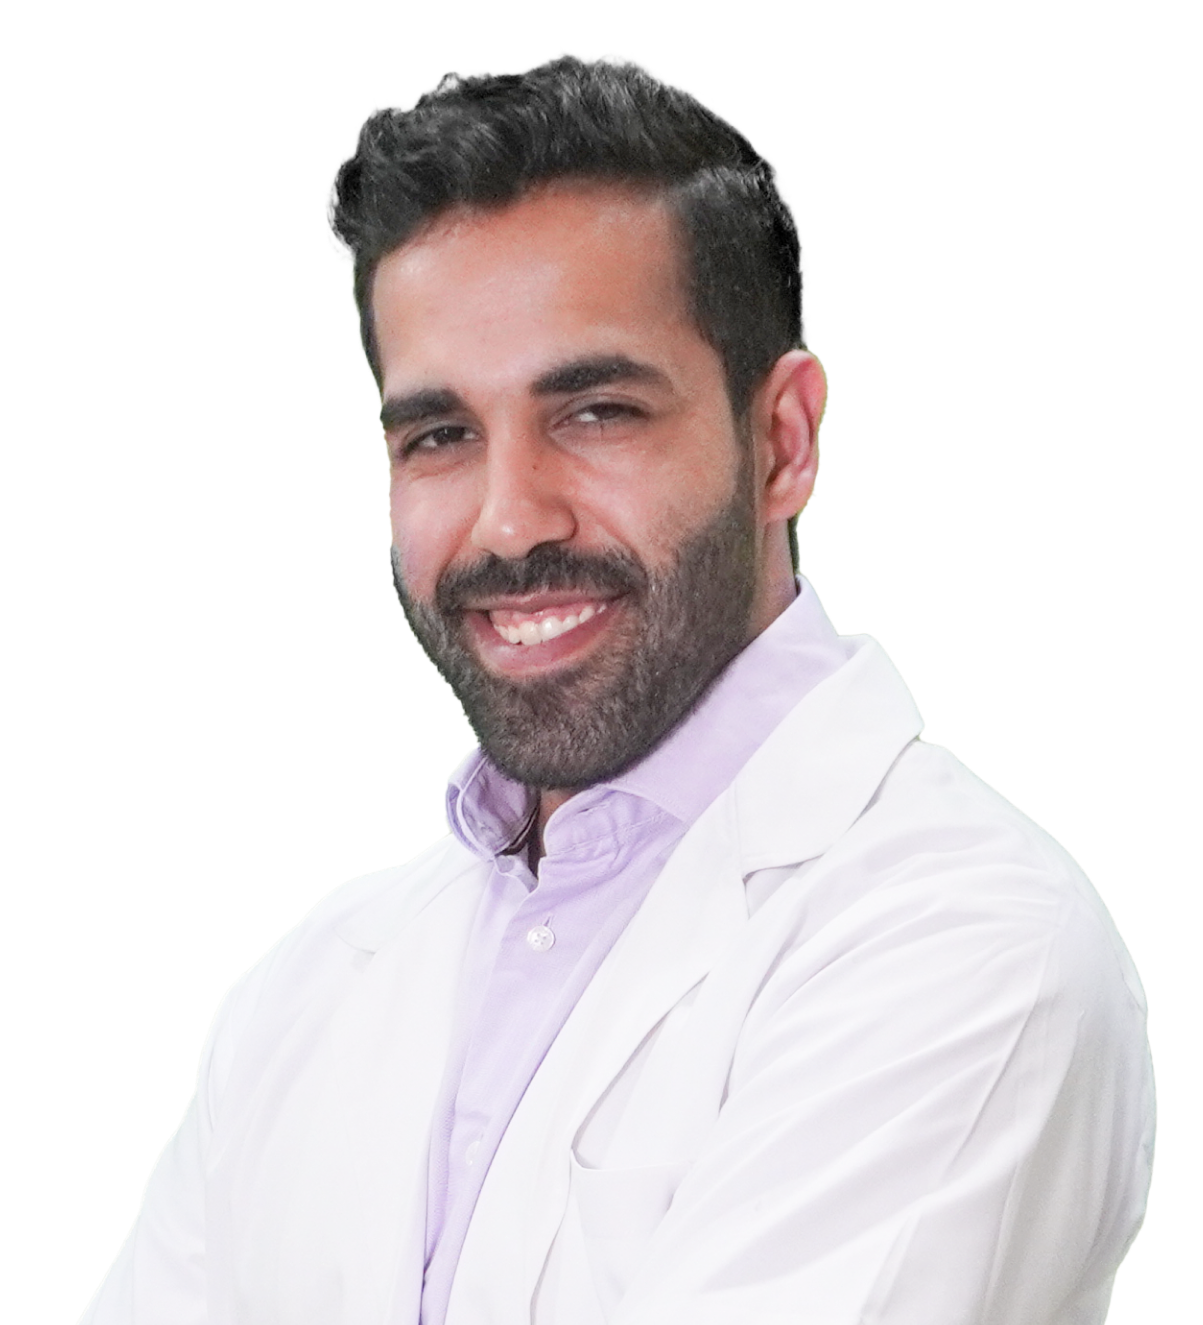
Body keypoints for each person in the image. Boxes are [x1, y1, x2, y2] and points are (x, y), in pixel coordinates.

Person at [81, 49, 1155, 1325]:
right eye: (440, 434)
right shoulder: (303, 991)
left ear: (783, 440)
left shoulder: (966, 943)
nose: (509, 519)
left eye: (595, 410)